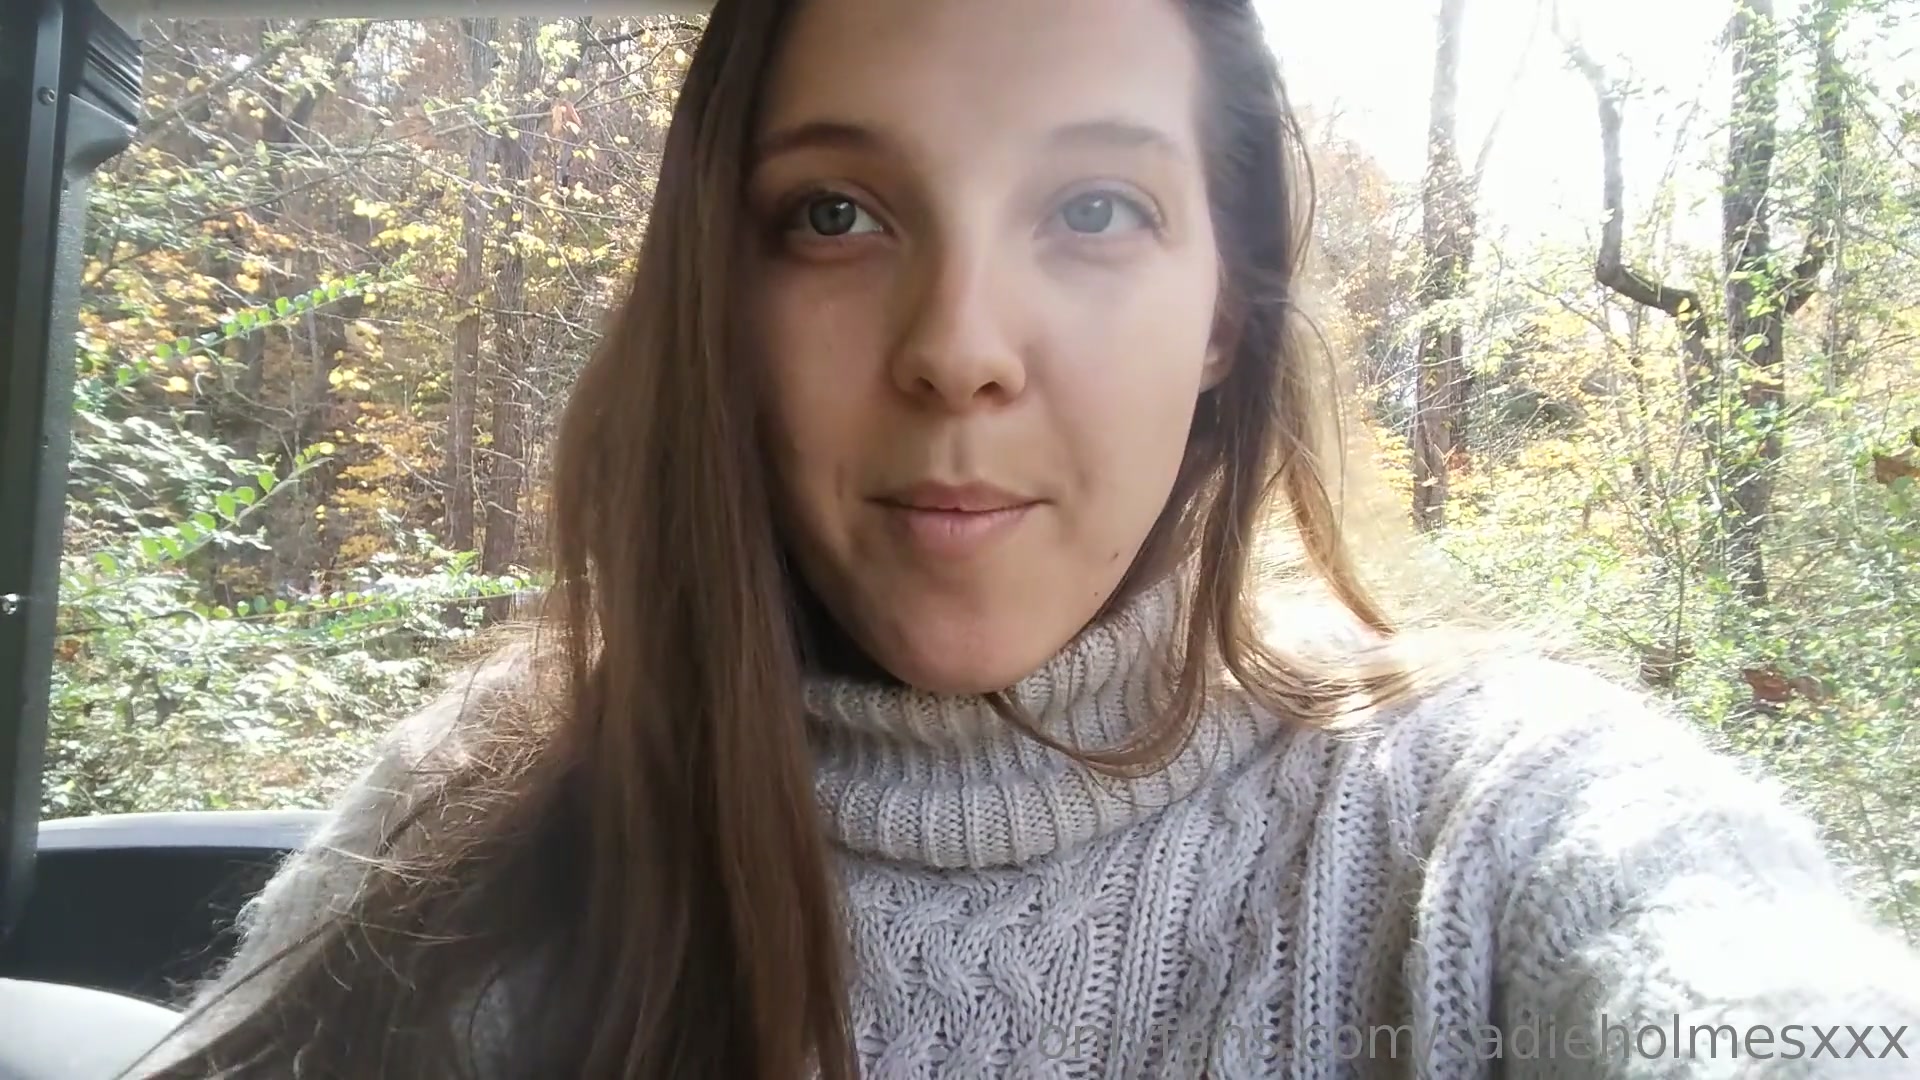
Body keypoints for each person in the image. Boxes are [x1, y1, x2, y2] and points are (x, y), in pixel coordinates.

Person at [137, 0, 1920, 1076]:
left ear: (1223, 316)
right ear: (719, 296)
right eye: (835, 215)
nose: (959, 347)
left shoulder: (1486, 824)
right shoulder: (496, 796)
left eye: (1095, 207)